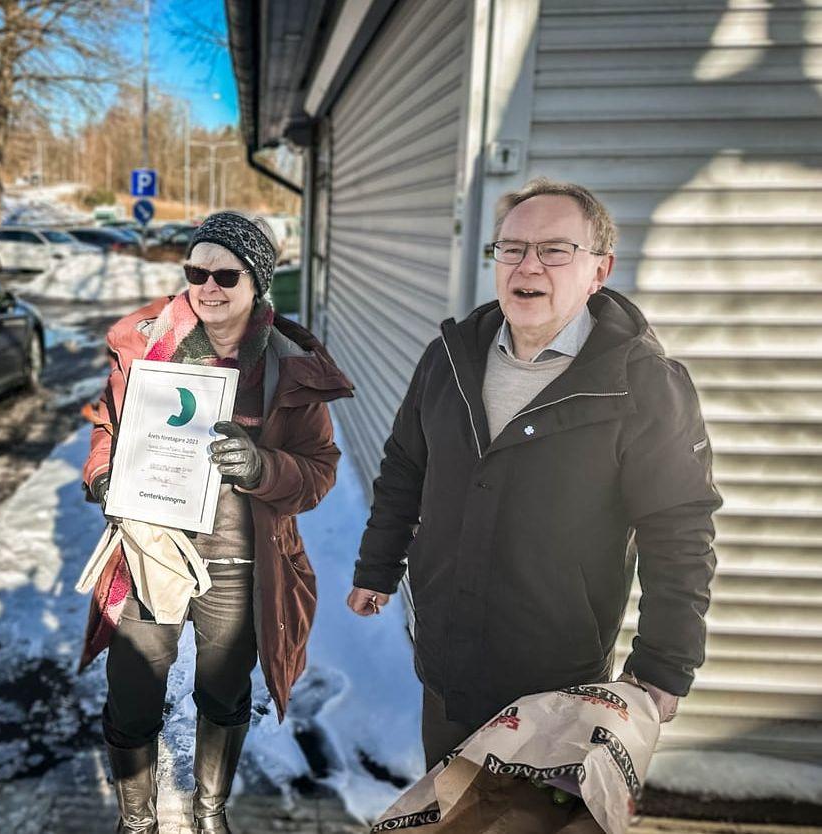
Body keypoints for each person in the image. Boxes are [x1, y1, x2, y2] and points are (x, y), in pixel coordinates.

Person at [347, 177, 721, 770]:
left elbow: (678, 531)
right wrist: (378, 564)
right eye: (512, 247)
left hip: (556, 684)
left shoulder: (643, 384)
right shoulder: (451, 357)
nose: (528, 264)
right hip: (446, 665)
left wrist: (664, 664)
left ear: (600, 269)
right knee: (445, 810)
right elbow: (405, 468)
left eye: (555, 249)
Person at [78, 211, 353, 833]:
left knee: (225, 694)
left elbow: (318, 470)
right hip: (153, 549)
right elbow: (108, 427)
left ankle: (209, 812)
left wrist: (261, 467)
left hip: (239, 561)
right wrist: (103, 474)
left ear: (258, 281)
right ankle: (137, 819)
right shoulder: (150, 347)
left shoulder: (289, 362)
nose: (209, 287)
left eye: (226, 274)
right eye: (196, 272)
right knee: (132, 689)